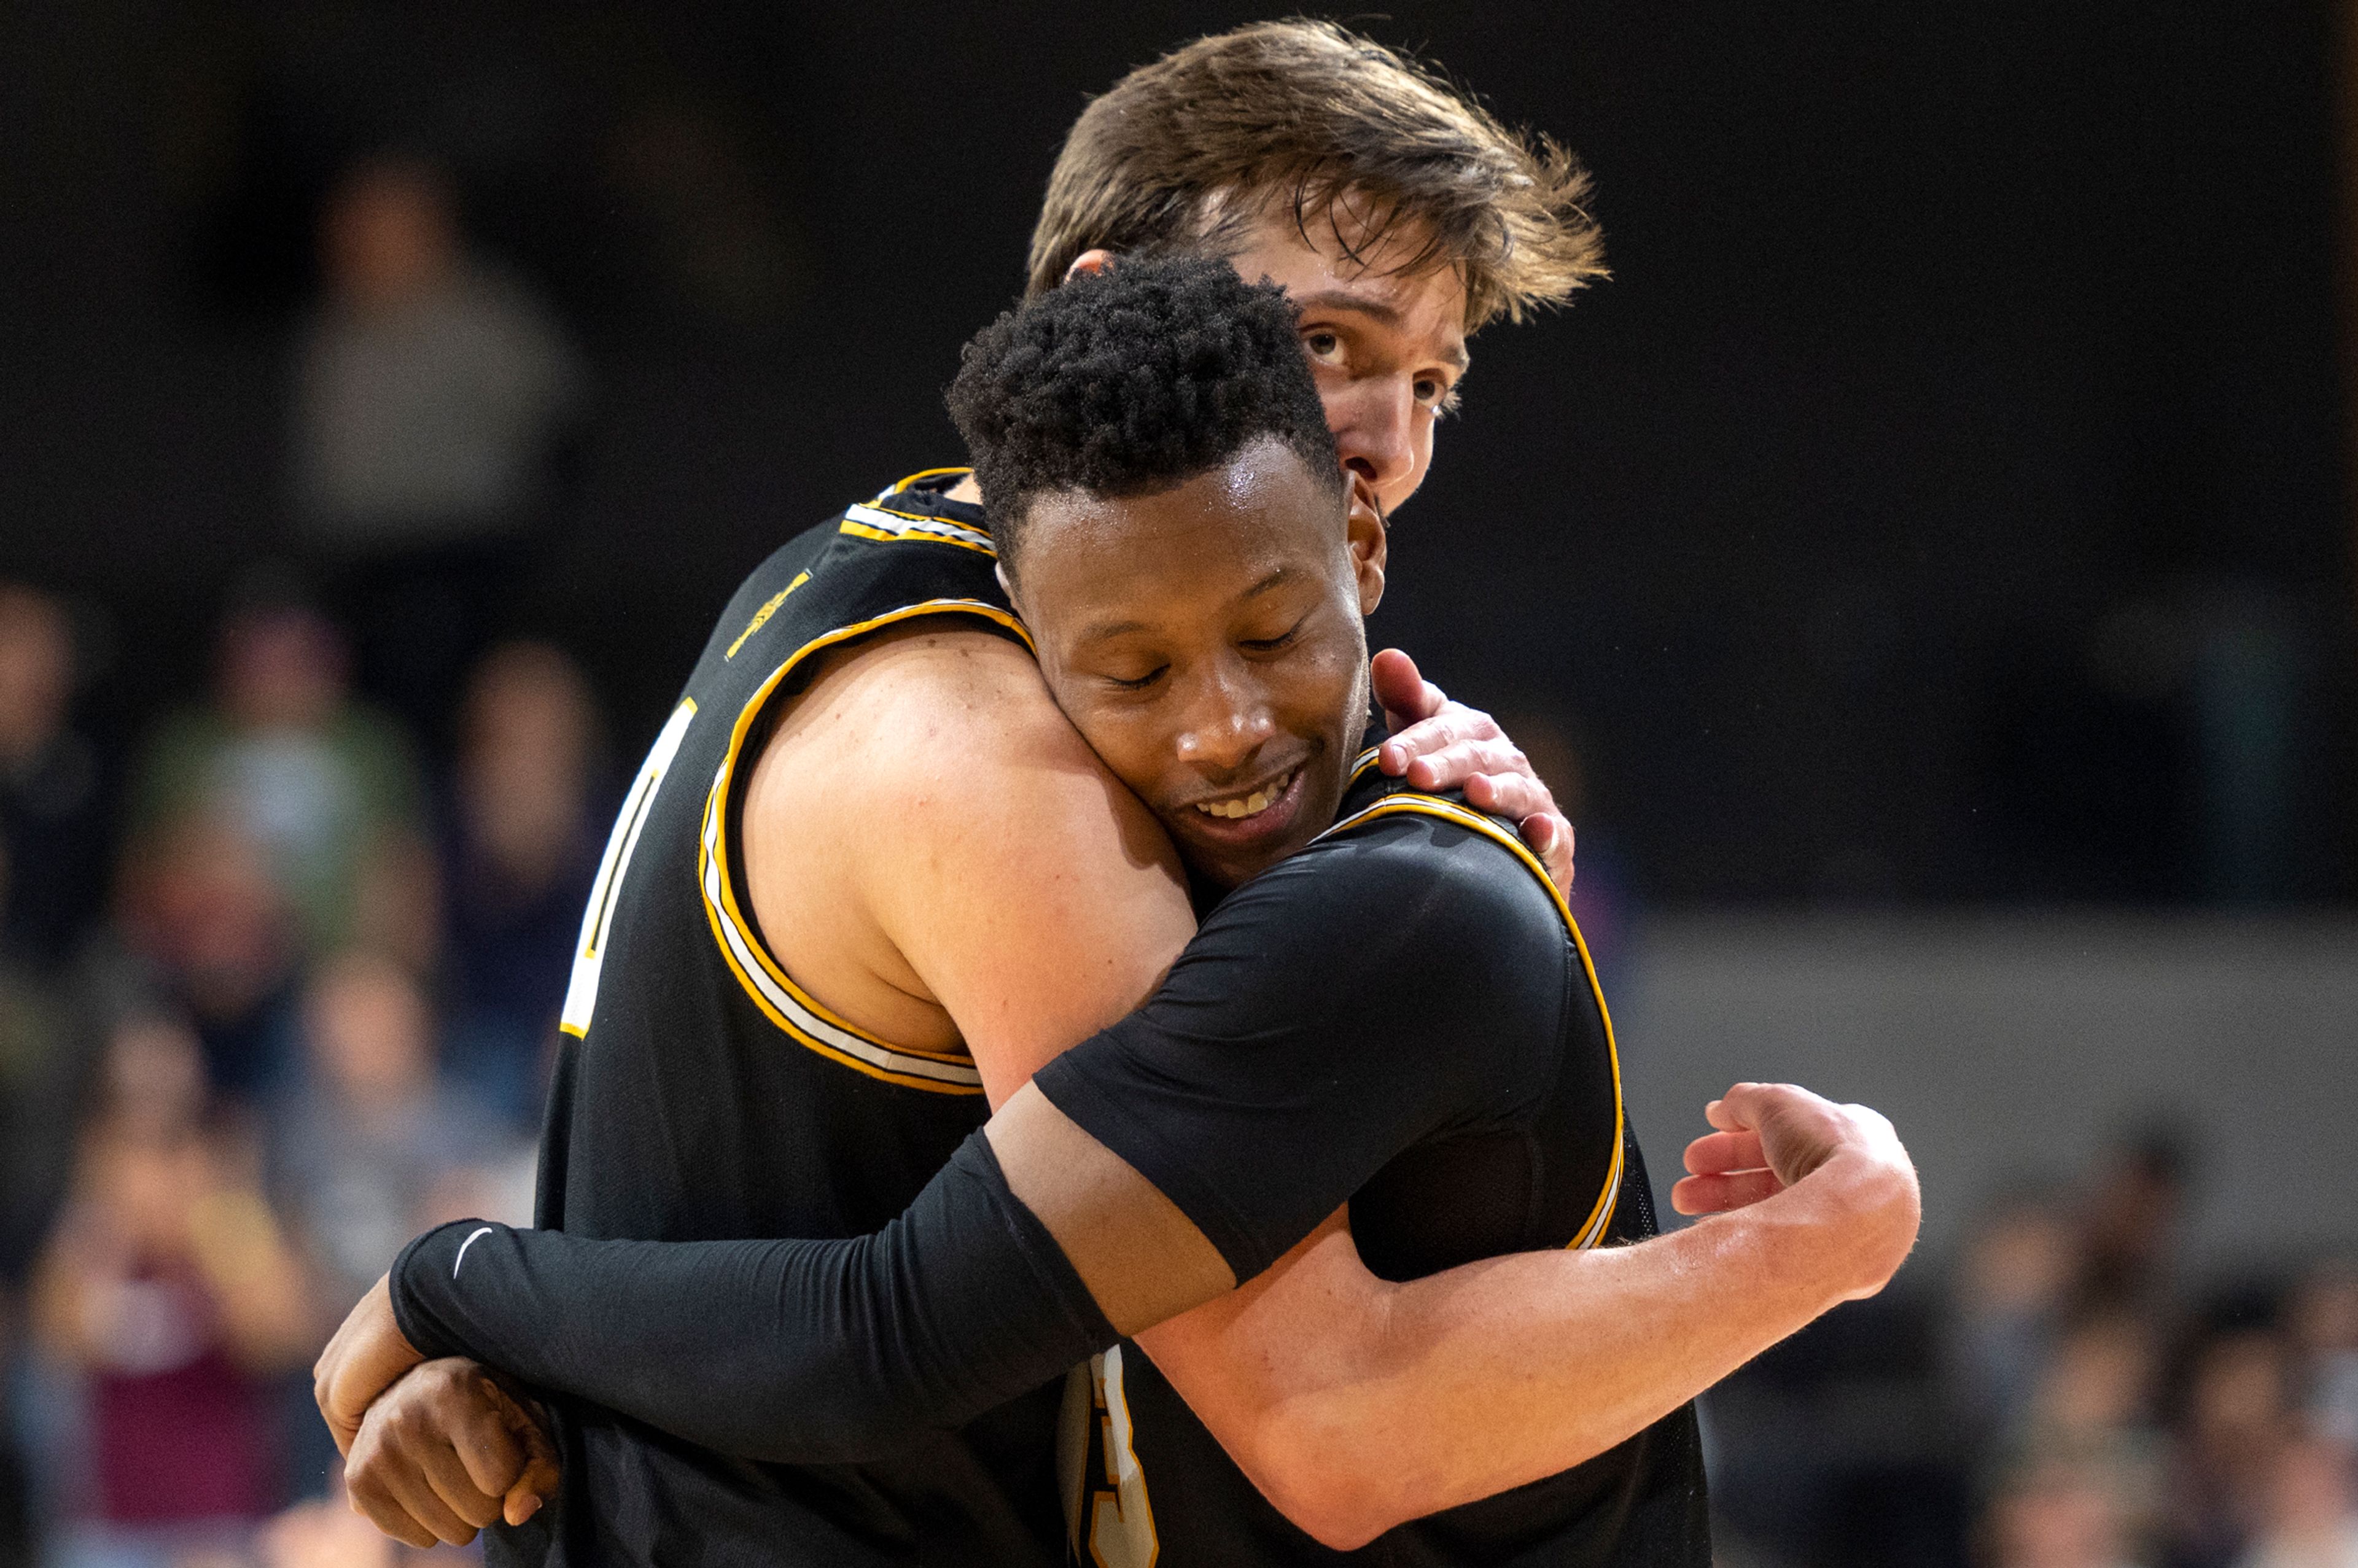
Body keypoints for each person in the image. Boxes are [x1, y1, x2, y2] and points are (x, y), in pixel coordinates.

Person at [322, 262, 1919, 1564]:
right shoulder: (1023, 756)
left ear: (1357, 550)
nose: (1220, 724)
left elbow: (1288, 1416)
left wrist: (458, 1287)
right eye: (1132, 674)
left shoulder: (1385, 913)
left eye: (1427, 374)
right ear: (1029, 632)